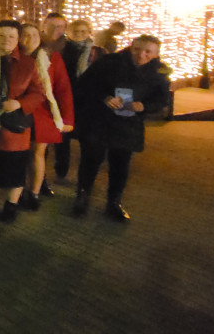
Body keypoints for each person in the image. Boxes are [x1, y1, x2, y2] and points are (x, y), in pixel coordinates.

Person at [72, 35, 170, 221]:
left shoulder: (158, 72)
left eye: (148, 52)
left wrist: (144, 106)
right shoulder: (109, 62)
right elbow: (85, 84)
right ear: (130, 47)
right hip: (99, 120)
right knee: (90, 161)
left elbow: (162, 99)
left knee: (120, 166)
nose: (141, 55)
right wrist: (105, 97)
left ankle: (114, 203)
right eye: (137, 49)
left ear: (156, 54)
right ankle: (82, 198)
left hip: (128, 125)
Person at [0, 21, 46, 222]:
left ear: (17, 40)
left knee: (14, 169)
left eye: (12, 37)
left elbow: (39, 93)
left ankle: (11, 204)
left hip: (14, 127)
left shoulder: (28, 63)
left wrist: (20, 103)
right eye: (2, 35)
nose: (7, 40)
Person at [18, 24, 74, 210]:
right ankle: (20, 190)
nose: (30, 38)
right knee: (19, 153)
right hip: (21, 110)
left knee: (37, 153)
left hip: (44, 112)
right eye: (25, 35)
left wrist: (67, 119)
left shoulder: (51, 58)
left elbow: (63, 88)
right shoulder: (14, 56)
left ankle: (33, 192)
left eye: (34, 34)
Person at [56, 20, 106, 182]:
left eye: (83, 31)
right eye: (76, 31)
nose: (79, 34)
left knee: (87, 138)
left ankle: (84, 178)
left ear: (89, 32)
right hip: (66, 97)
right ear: (68, 32)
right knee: (62, 138)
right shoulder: (62, 50)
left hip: (88, 101)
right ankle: (61, 170)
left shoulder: (98, 52)